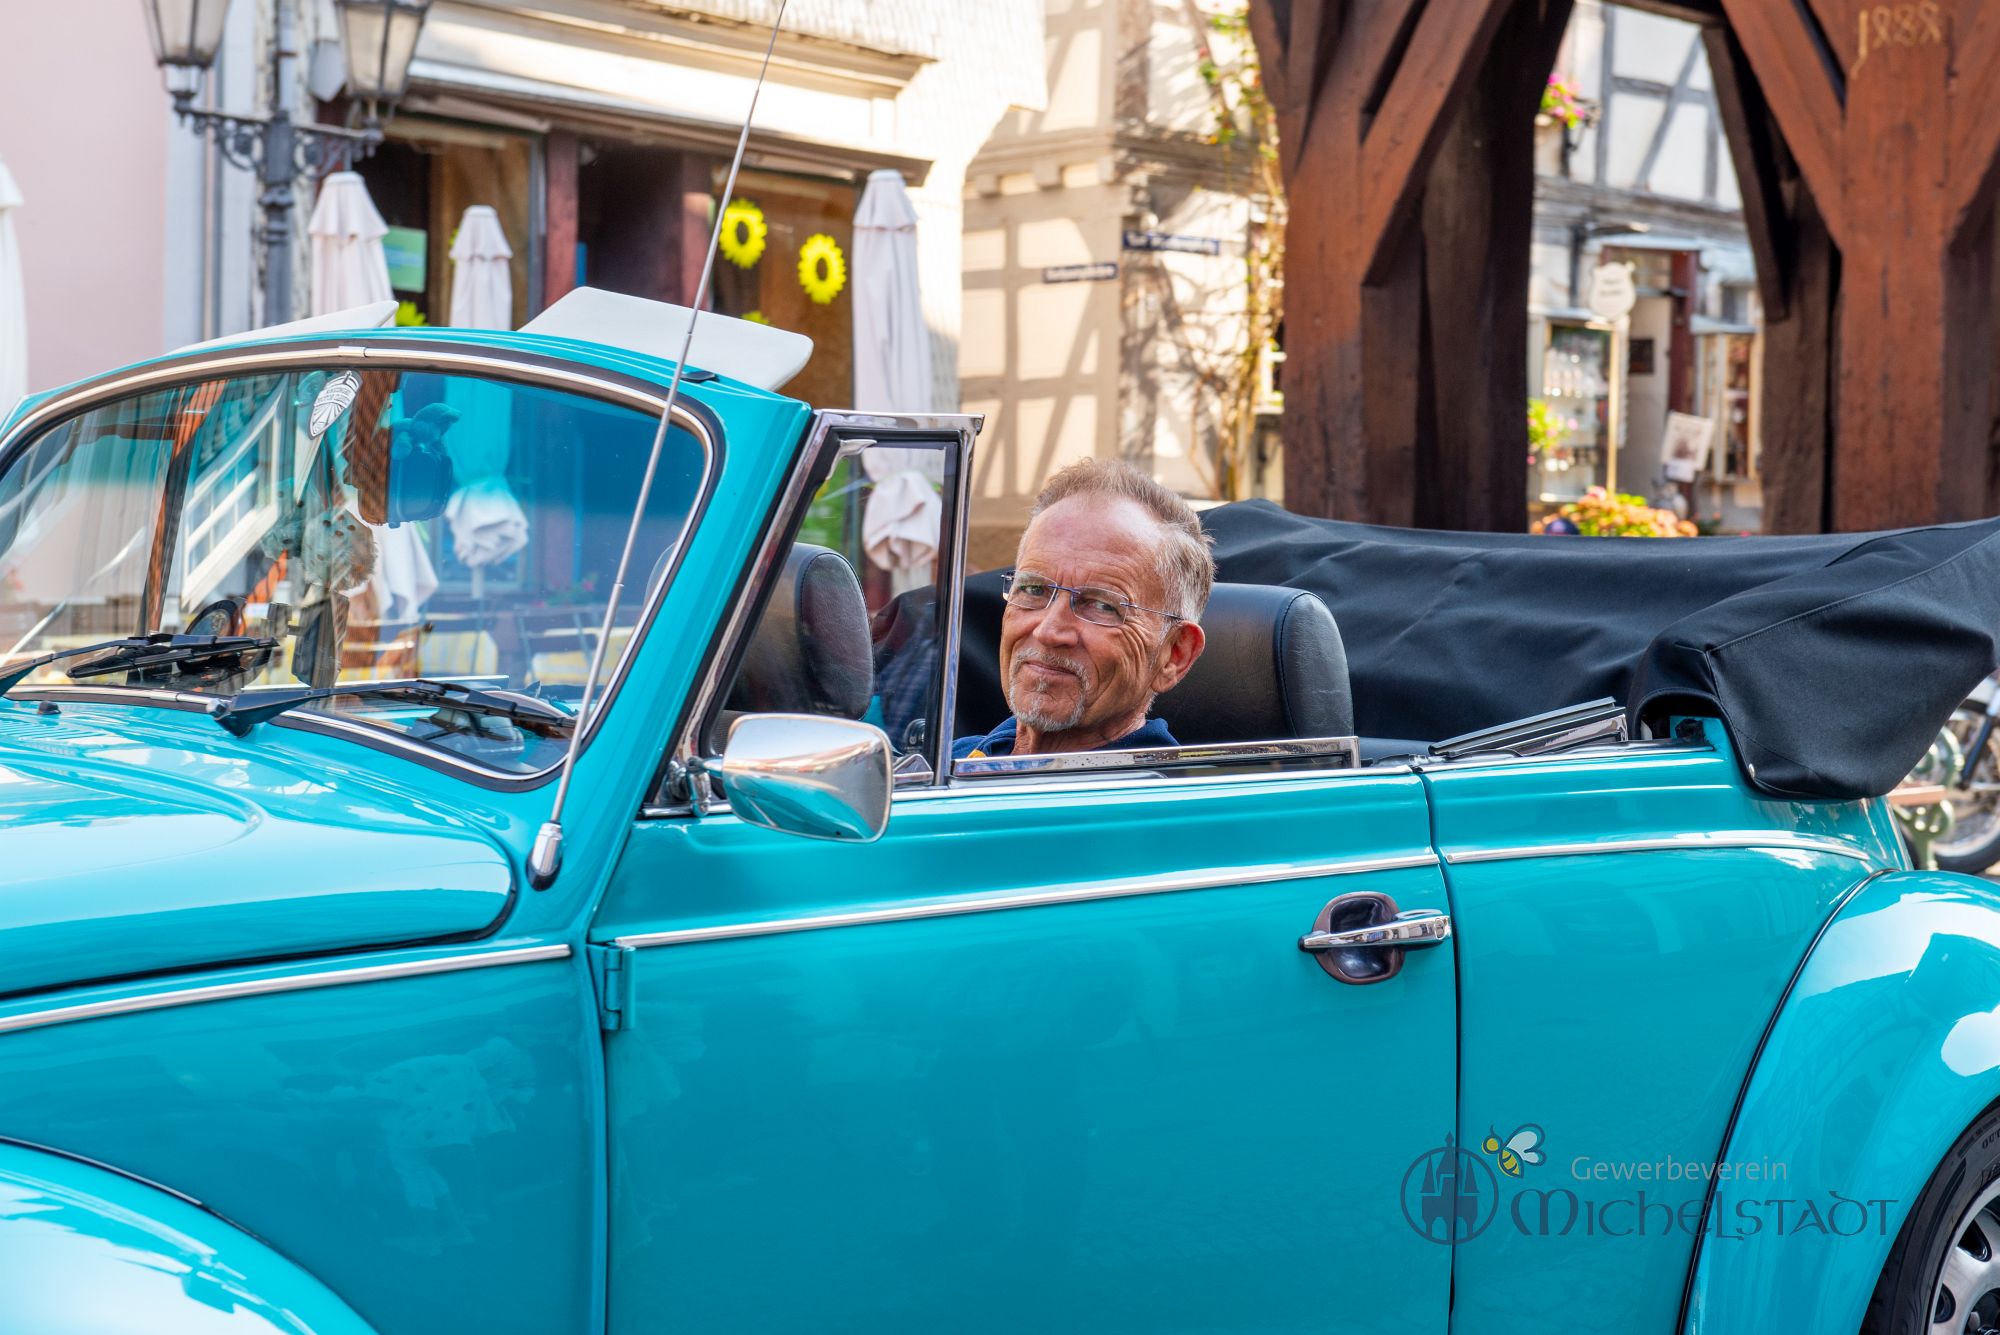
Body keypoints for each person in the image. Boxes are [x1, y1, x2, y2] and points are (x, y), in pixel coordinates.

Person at [955, 459, 1210, 759]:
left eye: (1102, 606)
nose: (1048, 631)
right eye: (1034, 589)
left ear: (1174, 655)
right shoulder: (948, 761)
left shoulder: (1161, 787)